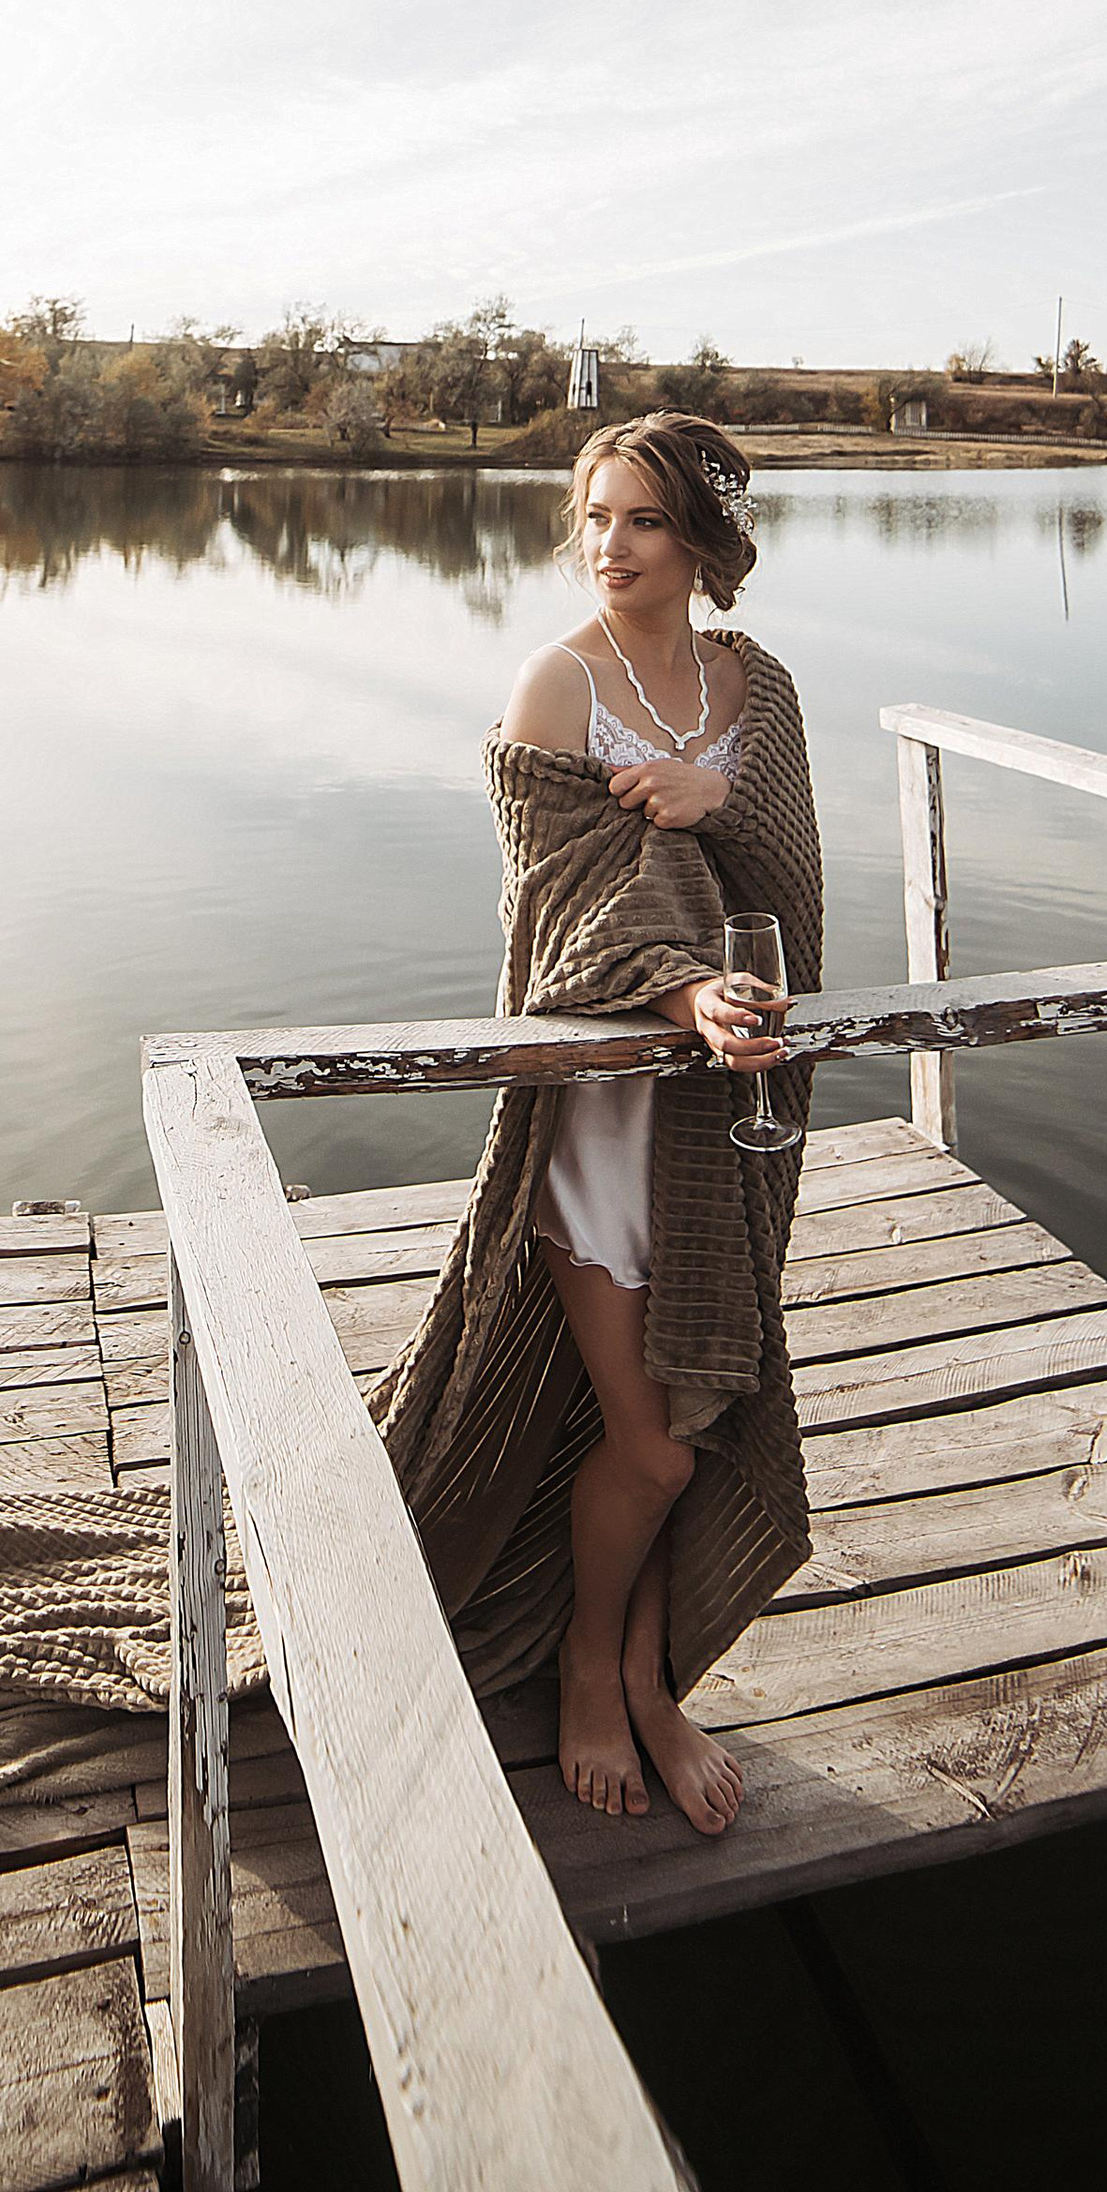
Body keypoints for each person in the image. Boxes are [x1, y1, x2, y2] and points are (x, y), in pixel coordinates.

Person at [369, 413, 824, 1841]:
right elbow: (558, 927)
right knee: (659, 1441)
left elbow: (796, 894)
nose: (606, 545)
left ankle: (652, 1675)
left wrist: (718, 802)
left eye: (635, 519)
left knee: (698, 1406)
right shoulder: (555, 688)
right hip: (598, 1125)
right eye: (590, 516)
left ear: (700, 537)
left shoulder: (764, 690)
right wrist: (683, 979)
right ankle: (592, 1669)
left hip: (730, 1112)